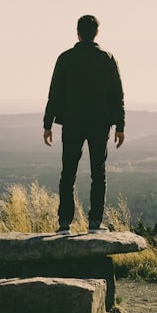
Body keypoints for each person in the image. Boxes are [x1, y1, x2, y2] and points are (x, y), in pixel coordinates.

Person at [43, 15, 125, 234]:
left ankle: (64, 224)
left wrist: (47, 124)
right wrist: (120, 125)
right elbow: (117, 94)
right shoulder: (107, 57)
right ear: (96, 32)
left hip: (72, 123)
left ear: (77, 31)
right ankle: (95, 223)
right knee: (98, 173)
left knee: (68, 172)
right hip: (100, 124)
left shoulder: (66, 58)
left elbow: (55, 93)